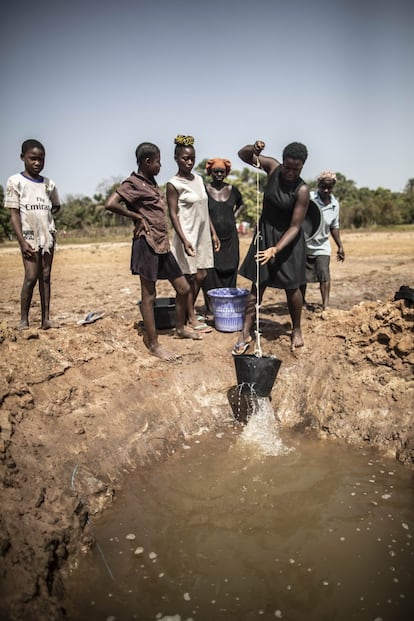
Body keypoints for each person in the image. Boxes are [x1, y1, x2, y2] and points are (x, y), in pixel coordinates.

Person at [105, 142, 202, 362]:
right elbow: (111, 204)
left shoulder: (150, 182)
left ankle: (179, 328)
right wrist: (137, 217)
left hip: (161, 243)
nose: (160, 165)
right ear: (147, 162)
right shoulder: (133, 183)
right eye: (158, 161)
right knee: (149, 295)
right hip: (146, 243)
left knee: (184, 288)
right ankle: (153, 343)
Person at [232, 139, 310, 354]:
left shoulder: (302, 190)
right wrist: (253, 149)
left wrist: (276, 249)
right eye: (288, 167)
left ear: (302, 166)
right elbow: (243, 154)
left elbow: (295, 227)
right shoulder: (272, 167)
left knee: (292, 286)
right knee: (258, 282)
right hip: (265, 234)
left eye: (296, 169)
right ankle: (245, 332)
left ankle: (296, 328)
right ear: (283, 162)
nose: (290, 172)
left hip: (288, 241)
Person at [5, 139, 61, 330]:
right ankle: (24, 319)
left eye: (41, 159)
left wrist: (45, 219)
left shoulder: (49, 184)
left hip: (47, 237)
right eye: (32, 158)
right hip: (28, 237)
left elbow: (56, 205)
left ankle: (45, 320)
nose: (37, 163)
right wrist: (21, 241)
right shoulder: (15, 182)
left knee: (45, 276)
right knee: (30, 277)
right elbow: (14, 214)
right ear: (23, 158)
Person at [166, 135, 220, 332]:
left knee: (201, 275)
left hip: (202, 234)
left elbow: (205, 208)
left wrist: (213, 233)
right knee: (189, 277)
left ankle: (189, 313)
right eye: (184, 158)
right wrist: (183, 238)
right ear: (176, 158)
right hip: (186, 235)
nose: (189, 162)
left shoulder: (198, 178)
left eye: (192, 158)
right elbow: (172, 213)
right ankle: (190, 317)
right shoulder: (174, 184)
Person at [201, 158, 245, 312]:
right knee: (211, 270)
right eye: (215, 172)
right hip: (211, 238)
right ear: (210, 173)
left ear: (226, 173)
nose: (219, 174)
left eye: (222, 172)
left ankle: (228, 303)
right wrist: (212, 233)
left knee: (231, 266)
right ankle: (211, 306)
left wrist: (233, 217)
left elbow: (241, 204)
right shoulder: (204, 190)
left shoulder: (233, 190)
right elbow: (203, 213)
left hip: (230, 238)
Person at [301, 171, 345, 310]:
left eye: (329, 188)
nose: (326, 191)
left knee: (324, 274)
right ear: (318, 185)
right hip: (303, 243)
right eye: (323, 187)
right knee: (301, 276)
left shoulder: (334, 204)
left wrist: (340, 246)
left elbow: (334, 226)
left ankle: (325, 305)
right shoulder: (309, 198)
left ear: (333, 187)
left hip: (322, 245)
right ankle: (301, 302)